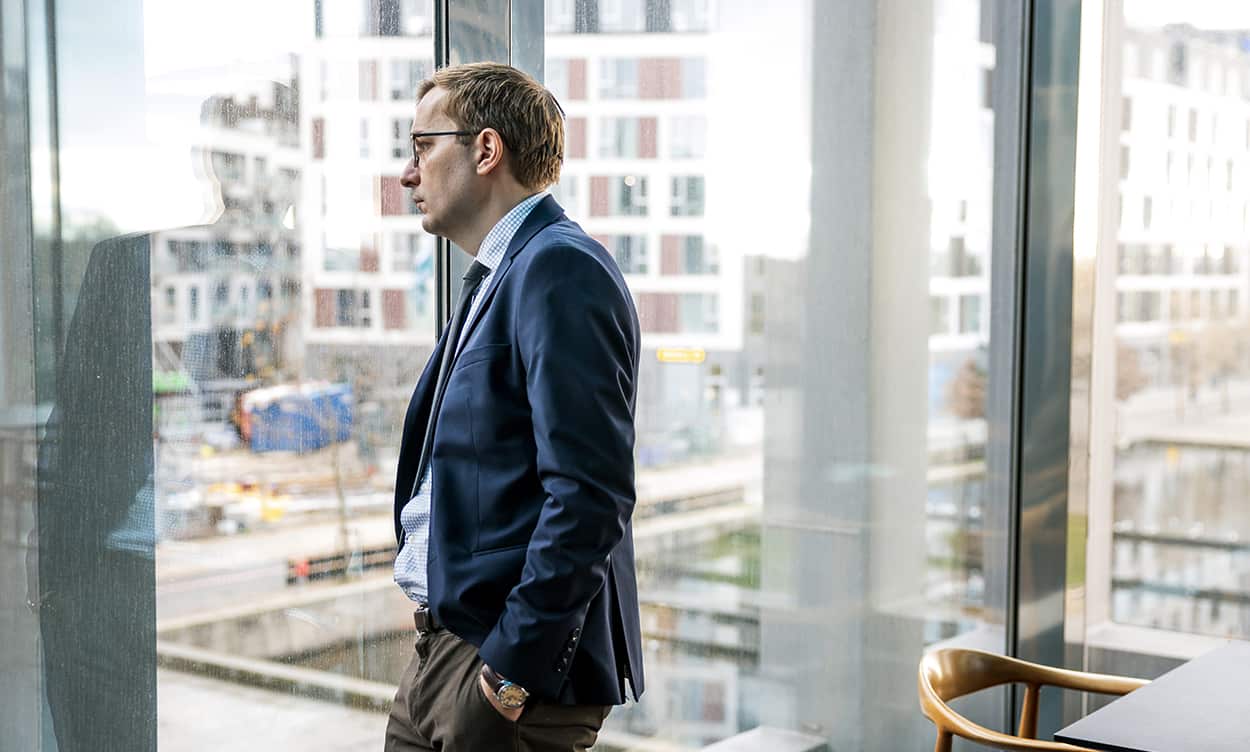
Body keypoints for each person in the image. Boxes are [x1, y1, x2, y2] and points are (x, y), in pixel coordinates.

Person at [384, 62, 645, 752]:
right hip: (445, 654)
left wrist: (509, 676)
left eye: (421, 147)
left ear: (486, 149)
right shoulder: (502, 274)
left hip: (500, 677)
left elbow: (591, 496)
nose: (407, 174)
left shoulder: (560, 267)